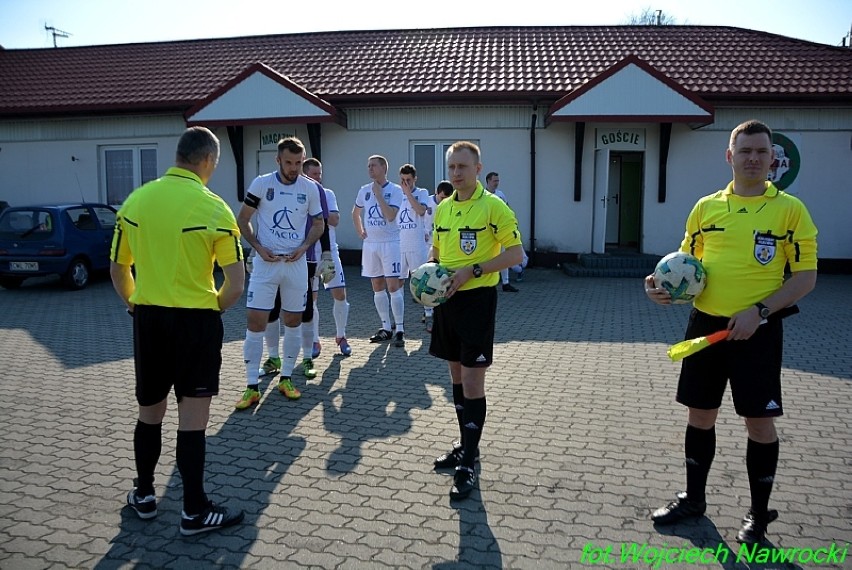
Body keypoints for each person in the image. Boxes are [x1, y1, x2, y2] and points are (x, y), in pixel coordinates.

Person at [644, 120, 818, 544]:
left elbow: (806, 277)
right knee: (700, 415)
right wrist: (657, 285)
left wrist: (759, 311)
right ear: (730, 156)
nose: (754, 158)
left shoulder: (790, 210)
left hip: (756, 331)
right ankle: (694, 499)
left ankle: (758, 517)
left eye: (762, 151)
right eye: (745, 151)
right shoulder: (705, 208)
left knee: (759, 424)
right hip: (705, 327)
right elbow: (684, 262)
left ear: (773, 158)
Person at [109, 126, 246, 535]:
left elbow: (118, 268)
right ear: (208, 161)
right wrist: (211, 310)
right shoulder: (215, 208)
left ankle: (145, 495)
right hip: (196, 322)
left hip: (148, 319)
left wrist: (135, 302)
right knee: (193, 419)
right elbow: (236, 283)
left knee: (149, 412)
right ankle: (193, 510)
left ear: (178, 155)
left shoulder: (136, 201)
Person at [429, 141, 523, 500]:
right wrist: (429, 278)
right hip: (446, 301)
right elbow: (436, 253)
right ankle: (467, 444)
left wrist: (475, 269)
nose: (456, 173)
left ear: (478, 168)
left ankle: (468, 460)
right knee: (455, 374)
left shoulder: (494, 207)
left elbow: (516, 254)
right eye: (451, 167)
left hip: (478, 301)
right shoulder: (442, 210)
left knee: (471, 381)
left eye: (463, 167)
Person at [235, 137, 325, 409]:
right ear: (278, 160)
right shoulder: (262, 183)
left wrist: (305, 247)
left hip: (296, 265)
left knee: (294, 322)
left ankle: (286, 378)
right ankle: (251, 386)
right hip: (266, 264)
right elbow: (242, 220)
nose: (294, 168)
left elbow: (319, 223)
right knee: (255, 322)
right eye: (289, 162)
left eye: (298, 162)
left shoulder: (310, 188)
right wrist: (259, 248)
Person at [352, 155, 406, 347]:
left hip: (391, 243)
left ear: (384, 167)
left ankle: (399, 328)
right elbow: (355, 212)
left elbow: (391, 216)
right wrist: (360, 230)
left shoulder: (396, 190)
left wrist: (379, 195)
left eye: (373, 165)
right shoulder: (364, 190)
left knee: (393, 286)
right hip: (371, 244)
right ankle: (385, 328)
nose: (370, 169)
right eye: (368, 166)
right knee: (377, 286)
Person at [303, 157, 352, 356]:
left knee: (340, 295)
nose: (318, 178)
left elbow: (335, 220)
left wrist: (317, 204)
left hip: (329, 253)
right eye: (314, 174)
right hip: (307, 255)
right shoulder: (298, 195)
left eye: (320, 174)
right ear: (304, 175)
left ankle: (341, 336)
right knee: (311, 300)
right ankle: (315, 341)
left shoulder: (327, 193)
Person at [397, 164, 430, 329]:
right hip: (398, 246)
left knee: (421, 282)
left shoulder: (421, 193)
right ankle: (398, 320)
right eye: (402, 180)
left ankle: (429, 314)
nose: (405, 183)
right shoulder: (396, 194)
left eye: (408, 180)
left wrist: (409, 193)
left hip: (416, 245)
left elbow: (421, 211)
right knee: (397, 283)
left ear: (414, 179)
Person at [421, 180, 453, 332]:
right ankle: (428, 313)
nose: (443, 202)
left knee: (441, 279)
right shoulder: (426, 202)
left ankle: (436, 311)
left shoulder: (451, 205)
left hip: (443, 246)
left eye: (446, 199)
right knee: (427, 278)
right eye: (441, 198)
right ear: (436, 193)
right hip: (426, 245)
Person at [485, 172, 520, 292]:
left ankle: (506, 283)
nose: (497, 183)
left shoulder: (500, 195)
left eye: (498, 181)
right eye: (495, 181)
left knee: (503, 257)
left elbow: (508, 210)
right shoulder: (482, 196)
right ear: (488, 181)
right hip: (486, 233)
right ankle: (488, 283)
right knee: (488, 258)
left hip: (500, 232)